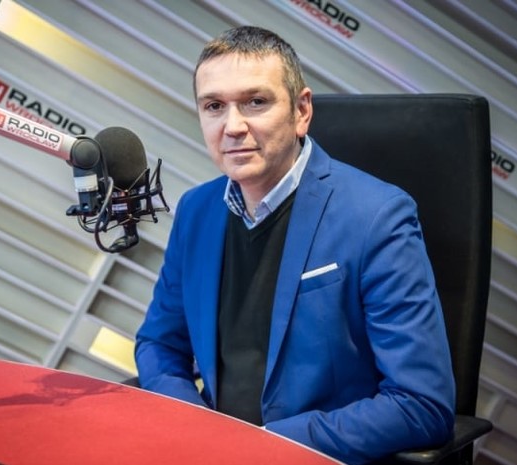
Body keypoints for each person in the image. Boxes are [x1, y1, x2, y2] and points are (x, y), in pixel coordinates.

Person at [134, 25, 455, 465]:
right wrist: (196, 426)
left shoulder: (377, 216)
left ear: (302, 111)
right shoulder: (196, 209)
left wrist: (265, 446)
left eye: (255, 102)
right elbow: (159, 344)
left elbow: (421, 405)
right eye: (214, 106)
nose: (232, 126)